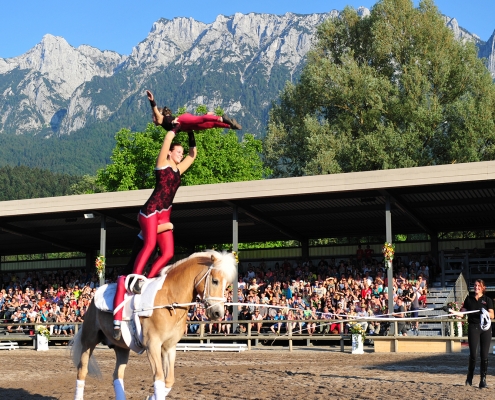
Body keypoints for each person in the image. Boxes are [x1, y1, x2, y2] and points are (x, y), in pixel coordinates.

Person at [112, 93, 199, 340]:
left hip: (166, 216)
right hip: (150, 212)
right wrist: (172, 127)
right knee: (150, 245)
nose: (181, 155)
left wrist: (191, 131)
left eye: (180, 152)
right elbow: (168, 137)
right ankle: (135, 280)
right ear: (170, 153)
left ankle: (150, 281)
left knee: (169, 253)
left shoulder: (180, 168)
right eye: (178, 152)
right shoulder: (163, 163)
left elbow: (194, 155)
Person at [147, 90, 242, 132]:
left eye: (153, 117)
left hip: (182, 120)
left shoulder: (160, 119)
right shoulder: (163, 122)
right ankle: (229, 126)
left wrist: (152, 100)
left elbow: (154, 109)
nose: (153, 120)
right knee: (209, 125)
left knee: (201, 119)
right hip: (186, 127)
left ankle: (222, 118)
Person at [457, 279, 494, 388]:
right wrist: (452, 312)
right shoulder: (469, 299)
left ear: (483, 287)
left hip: (485, 328)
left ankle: (483, 380)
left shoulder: (487, 300)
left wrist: (485, 311)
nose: (476, 287)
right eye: (475, 285)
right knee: (473, 355)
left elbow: (492, 315)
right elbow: (462, 314)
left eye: (479, 285)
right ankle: (469, 378)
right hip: (473, 327)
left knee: (484, 355)